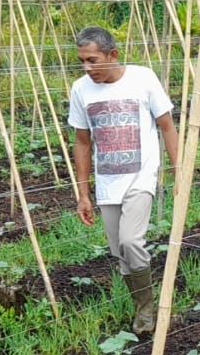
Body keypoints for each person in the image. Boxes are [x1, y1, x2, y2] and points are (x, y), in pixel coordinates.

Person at [68, 25, 180, 335]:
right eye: (82, 61)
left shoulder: (142, 78)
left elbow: (167, 126)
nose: (87, 68)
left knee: (132, 242)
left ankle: (146, 312)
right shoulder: (81, 89)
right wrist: (83, 194)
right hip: (107, 184)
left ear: (112, 54)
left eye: (93, 60)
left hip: (141, 177)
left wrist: (179, 170)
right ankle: (142, 305)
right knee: (120, 255)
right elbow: (82, 142)